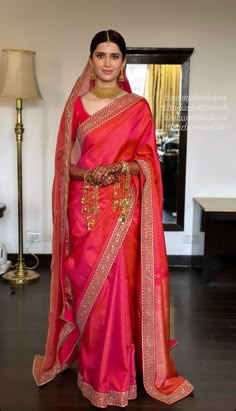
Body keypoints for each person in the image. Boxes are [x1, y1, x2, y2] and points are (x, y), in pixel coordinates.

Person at [33, 29, 193, 408]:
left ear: (123, 62)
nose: (107, 62)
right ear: (91, 60)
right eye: (101, 55)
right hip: (84, 208)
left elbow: (149, 162)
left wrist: (122, 167)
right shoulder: (76, 107)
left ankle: (116, 371)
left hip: (122, 209)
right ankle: (91, 364)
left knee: (118, 287)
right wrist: (88, 174)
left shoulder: (137, 107)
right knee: (88, 285)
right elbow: (65, 166)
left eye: (115, 56)